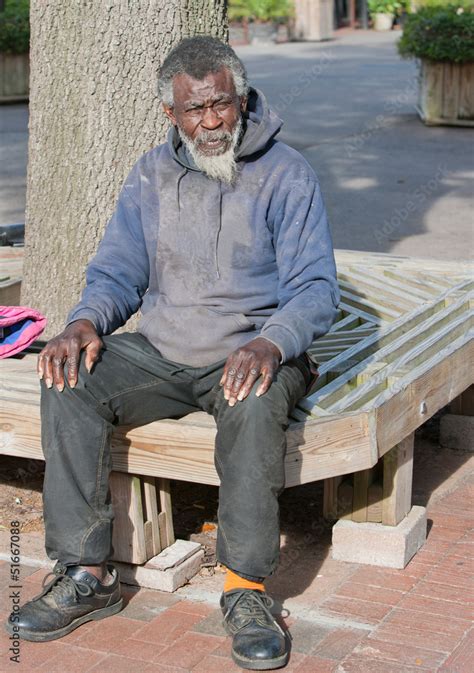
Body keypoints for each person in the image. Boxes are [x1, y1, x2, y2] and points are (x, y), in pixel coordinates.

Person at [6, 36, 340, 670]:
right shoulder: (150, 174)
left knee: (253, 402)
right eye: (196, 110)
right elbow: (117, 270)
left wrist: (273, 340)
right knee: (66, 379)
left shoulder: (287, 172)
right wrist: (83, 322)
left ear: (241, 99)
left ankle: (246, 590)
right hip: (161, 351)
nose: (211, 121)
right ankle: (86, 573)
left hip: (254, 353)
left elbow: (315, 288)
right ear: (172, 115)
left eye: (221, 104)